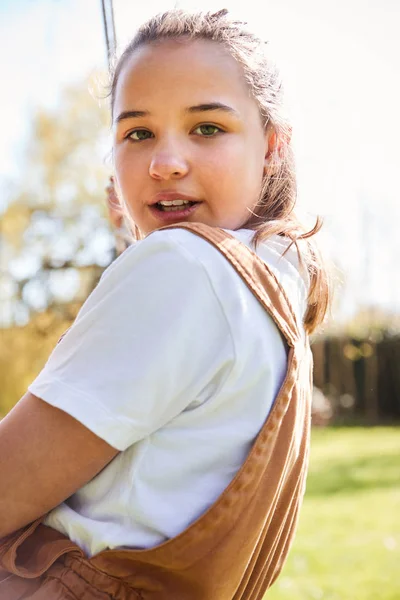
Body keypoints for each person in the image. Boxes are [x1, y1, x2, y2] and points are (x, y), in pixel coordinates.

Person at [0, 8, 330, 599]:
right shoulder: (278, 291)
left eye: (207, 128)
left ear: (272, 146)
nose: (164, 163)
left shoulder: (184, 269)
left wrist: (154, 254)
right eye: (137, 133)